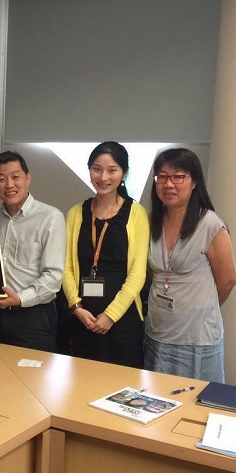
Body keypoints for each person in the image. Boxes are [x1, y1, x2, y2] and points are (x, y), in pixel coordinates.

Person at [144, 147, 236, 383]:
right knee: (155, 397)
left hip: (197, 339)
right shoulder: (152, 221)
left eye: (178, 177)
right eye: (162, 177)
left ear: (194, 182)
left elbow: (227, 281)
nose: (168, 184)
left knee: (198, 400)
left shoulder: (209, 223)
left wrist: (201, 308)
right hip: (157, 333)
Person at [62, 142, 149, 367]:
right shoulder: (75, 213)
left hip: (123, 320)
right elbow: (66, 267)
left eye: (112, 170)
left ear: (124, 173)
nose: (103, 177)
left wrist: (110, 315)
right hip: (83, 318)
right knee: (83, 380)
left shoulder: (137, 214)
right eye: (97, 169)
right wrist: (76, 307)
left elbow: (138, 273)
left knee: (124, 384)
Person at [0, 151, 66, 352]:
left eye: (15, 177)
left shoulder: (50, 217)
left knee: (33, 371)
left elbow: (53, 276)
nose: (9, 185)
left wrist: (20, 299)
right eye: (1, 179)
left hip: (33, 316)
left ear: (28, 178)